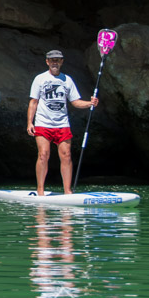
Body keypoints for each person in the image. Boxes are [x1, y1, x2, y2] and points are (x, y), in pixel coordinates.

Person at [27, 49, 99, 195]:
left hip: (62, 124)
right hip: (43, 123)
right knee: (43, 154)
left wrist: (90, 103)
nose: (55, 62)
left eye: (58, 60)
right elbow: (33, 102)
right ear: (47, 62)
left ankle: (67, 191)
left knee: (66, 155)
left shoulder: (67, 80)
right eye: (52, 60)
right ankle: (40, 190)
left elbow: (75, 102)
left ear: (62, 62)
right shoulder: (39, 79)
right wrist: (30, 122)